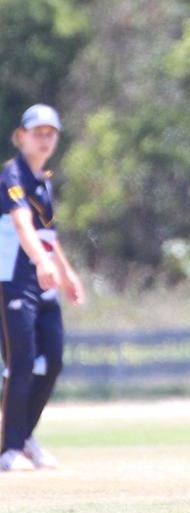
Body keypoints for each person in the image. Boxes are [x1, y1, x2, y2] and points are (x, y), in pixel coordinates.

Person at [0, 104, 84, 472]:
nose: (45, 139)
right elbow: (23, 227)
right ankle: (10, 450)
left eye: (51, 133)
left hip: (44, 281)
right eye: (38, 132)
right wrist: (42, 262)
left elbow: (49, 234)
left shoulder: (43, 178)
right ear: (21, 136)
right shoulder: (12, 175)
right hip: (15, 281)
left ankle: (25, 437)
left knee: (52, 362)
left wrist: (66, 272)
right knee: (21, 364)